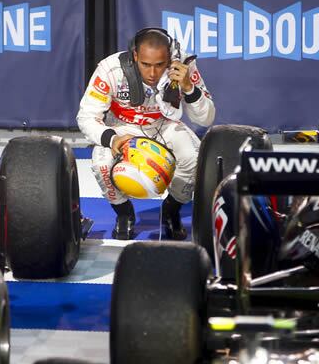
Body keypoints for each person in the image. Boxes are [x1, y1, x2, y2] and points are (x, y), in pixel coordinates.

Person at [77, 28, 215, 240]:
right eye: (146, 64)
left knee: (193, 157)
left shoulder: (184, 64)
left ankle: (171, 210)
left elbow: (205, 119)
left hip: (165, 123)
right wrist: (111, 138)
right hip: (123, 127)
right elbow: (86, 116)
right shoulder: (110, 69)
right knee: (101, 163)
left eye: (160, 65)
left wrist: (189, 88)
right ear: (134, 56)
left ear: (170, 58)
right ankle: (124, 213)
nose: (152, 73)